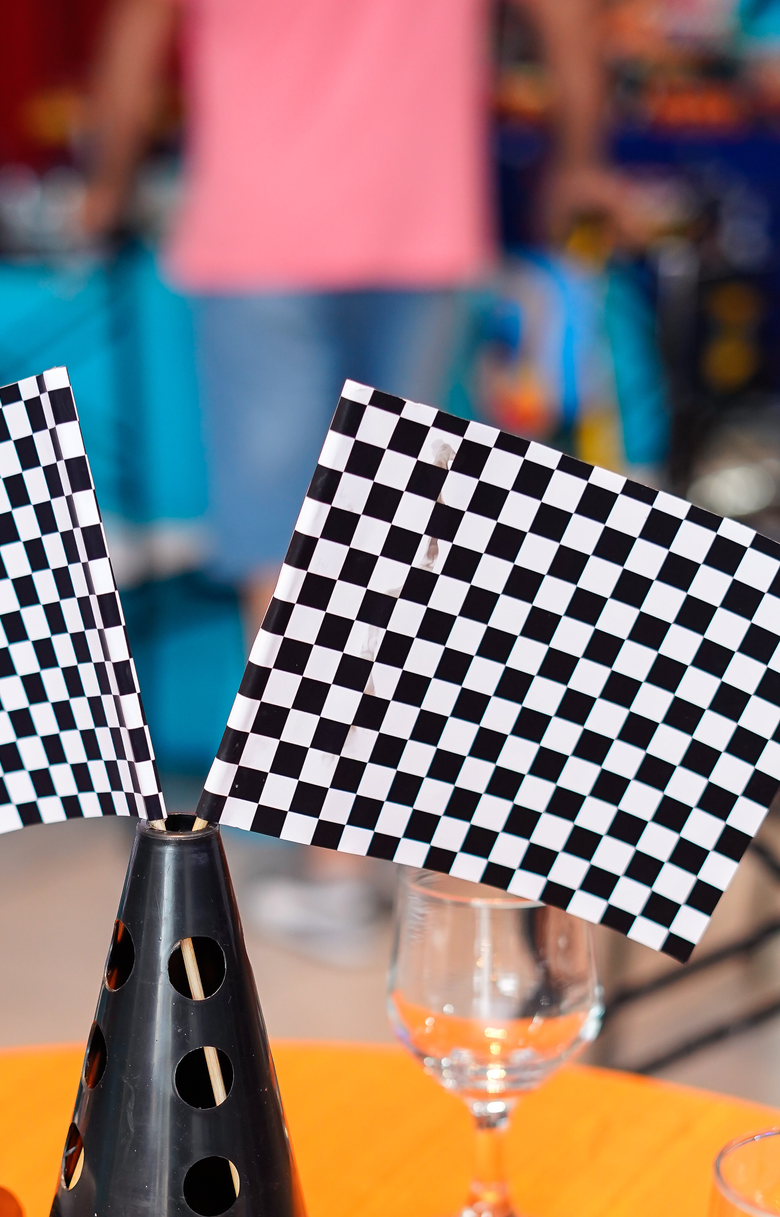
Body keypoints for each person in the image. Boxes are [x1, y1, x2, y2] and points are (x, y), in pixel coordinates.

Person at [83, 0, 640, 963]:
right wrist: (577, 160)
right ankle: (402, 833)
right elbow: (566, 26)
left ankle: (337, 869)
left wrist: (107, 184)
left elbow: (133, 49)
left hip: (262, 229)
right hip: (421, 224)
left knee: (289, 546)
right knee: (386, 527)